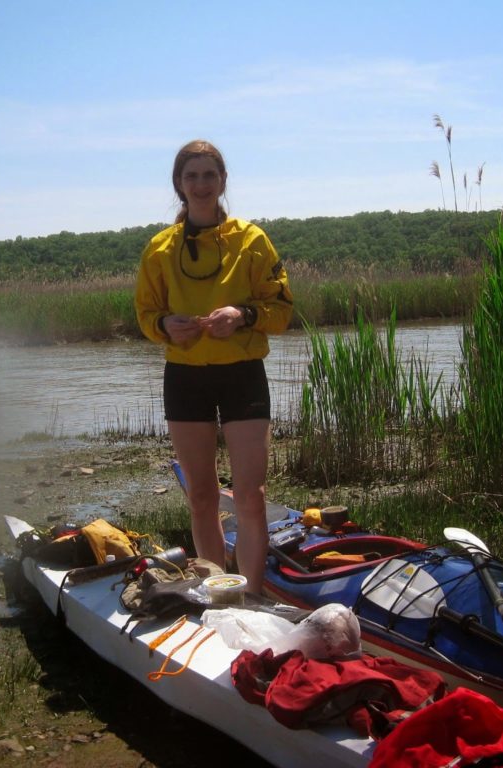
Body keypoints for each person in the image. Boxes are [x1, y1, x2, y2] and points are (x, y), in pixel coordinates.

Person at [135, 139, 293, 593]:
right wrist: (167, 325)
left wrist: (241, 315)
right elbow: (146, 315)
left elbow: (280, 310)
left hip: (242, 372)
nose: (201, 185)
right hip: (185, 377)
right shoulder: (160, 248)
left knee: (251, 495)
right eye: (192, 176)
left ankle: (254, 596)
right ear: (179, 185)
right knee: (202, 496)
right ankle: (216, 593)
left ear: (223, 181)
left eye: (209, 175)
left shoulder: (252, 239)